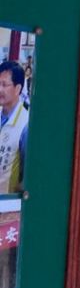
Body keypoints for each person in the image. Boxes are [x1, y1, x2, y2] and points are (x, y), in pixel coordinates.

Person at [0, 61, 28, 194]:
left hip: (6, 200)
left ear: (17, 89)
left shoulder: (25, 124)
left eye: (4, 85)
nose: (0, 89)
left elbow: (28, 172)